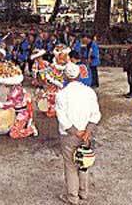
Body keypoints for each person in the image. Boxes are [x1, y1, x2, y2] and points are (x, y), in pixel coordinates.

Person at [55, 62, 101, 205]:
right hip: (86, 134)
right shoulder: (89, 92)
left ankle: (73, 197)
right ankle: (84, 193)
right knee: (83, 163)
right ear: (80, 75)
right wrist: (87, 131)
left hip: (69, 135)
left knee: (70, 165)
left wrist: (75, 132)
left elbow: (62, 118)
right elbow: (96, 114)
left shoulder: (61, 94)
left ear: (65, 76)